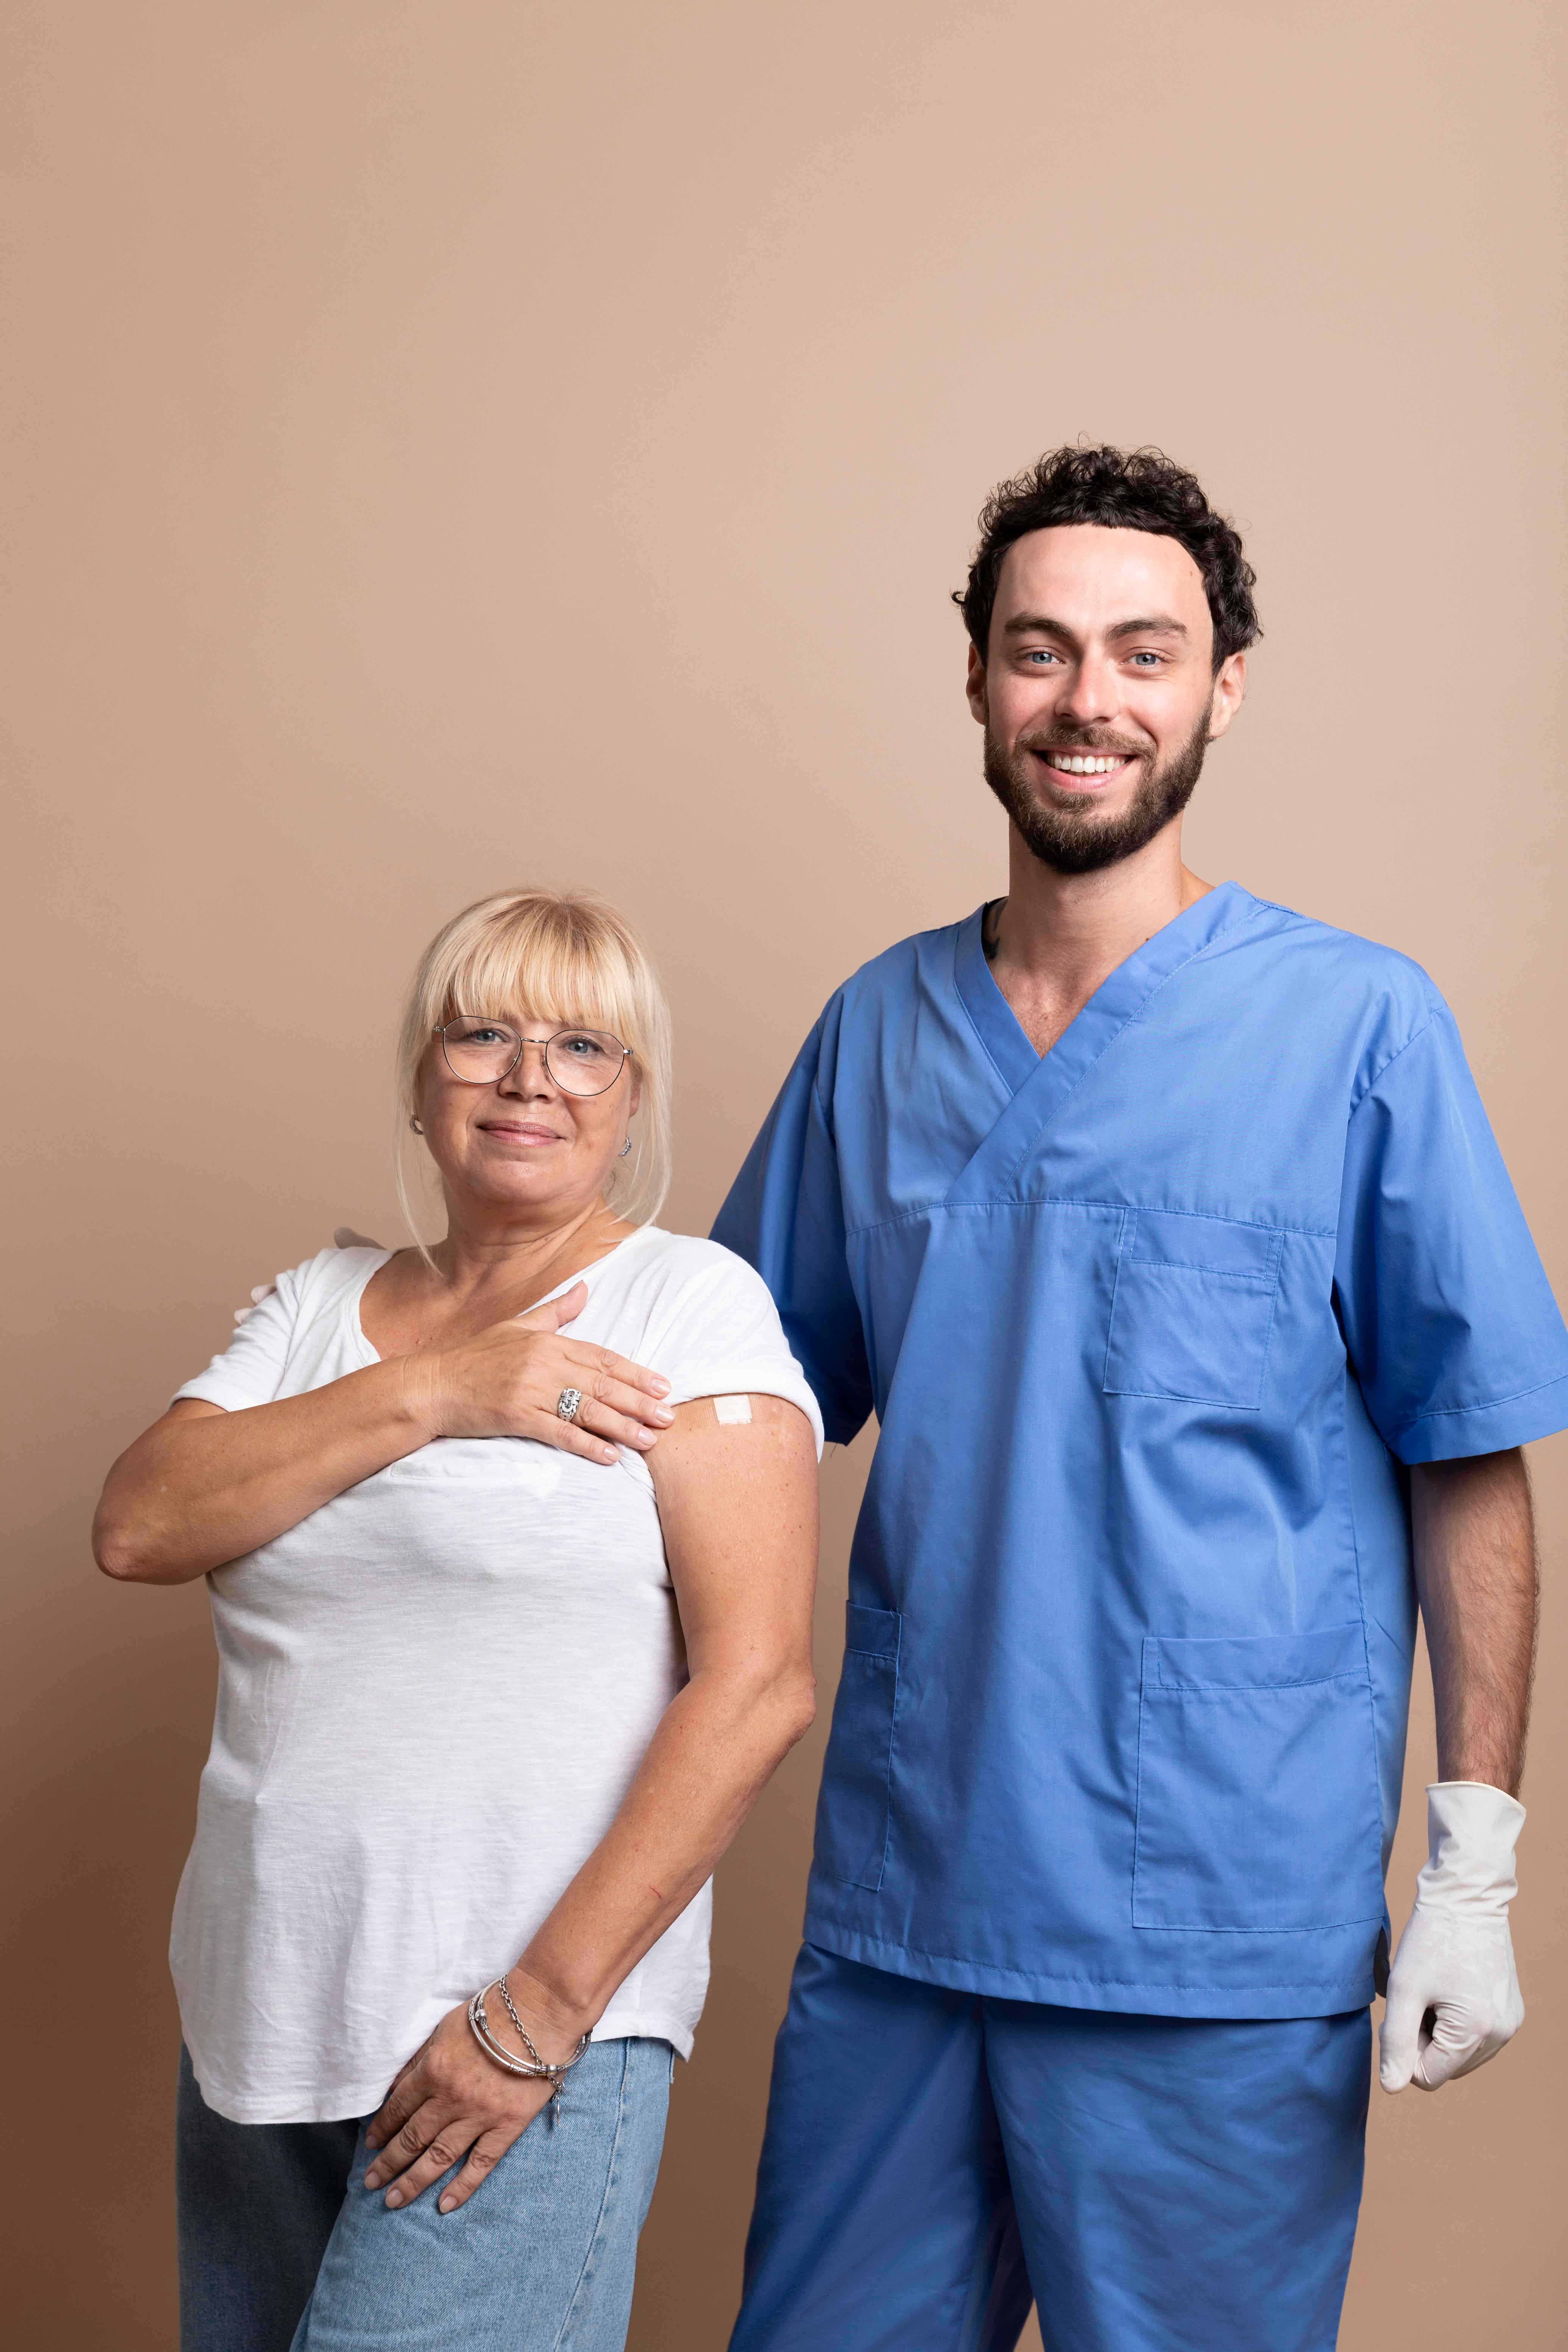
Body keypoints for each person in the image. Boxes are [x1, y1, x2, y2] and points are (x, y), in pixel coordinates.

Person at [713, 445, 1566, 2352]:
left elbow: (1467, 1453)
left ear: (1221, 686)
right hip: (906, 1906)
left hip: (1215, 1919)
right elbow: (732, 1418)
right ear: (977, 682)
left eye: (1143, 651)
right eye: (1040, 650)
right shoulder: (877, 1029)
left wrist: (1476, 1856)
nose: (1088, 696)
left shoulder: (1357, 1026)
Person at [93, 887, 822, 2352]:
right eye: (481, 1032)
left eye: (582, 1046)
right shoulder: (321, 1301)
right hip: (259, 2020)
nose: (527, 1077)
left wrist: (535, 2019)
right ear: (426, 1076)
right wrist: (442, 1387)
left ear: (634, 1095)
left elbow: (756, 1688)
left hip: (509, 2034)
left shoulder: (692, 1309)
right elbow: (141, 1523)